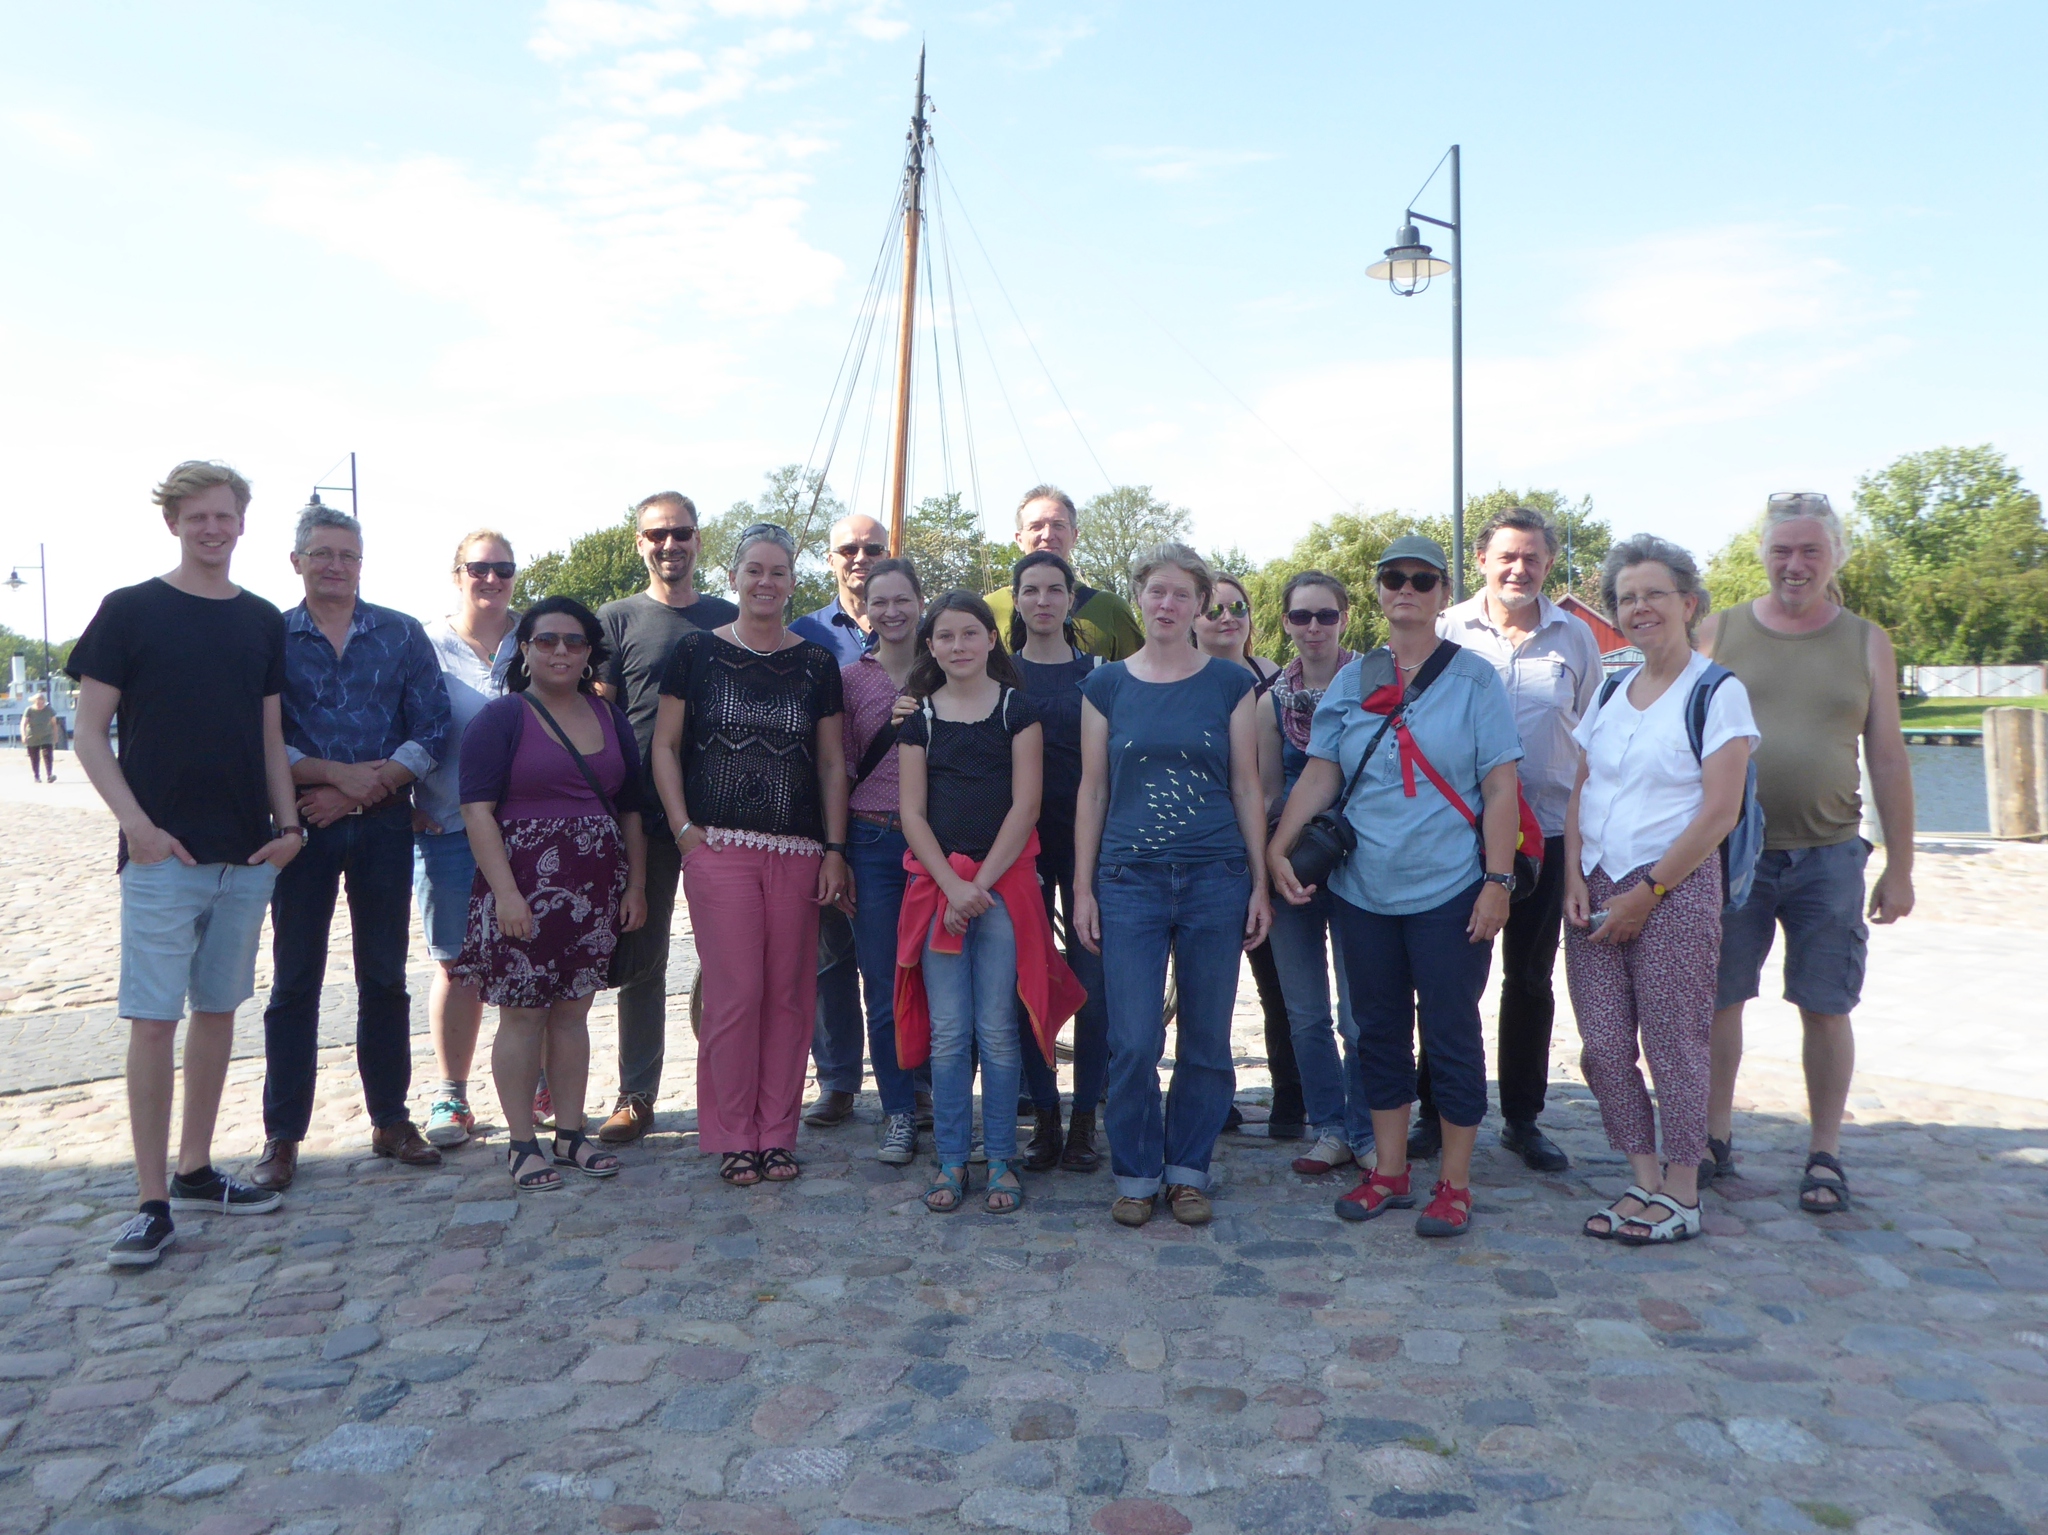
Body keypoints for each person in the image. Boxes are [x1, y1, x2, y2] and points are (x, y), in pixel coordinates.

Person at [69, 460, 302, 1266]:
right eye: (197, 516)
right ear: (174, 522)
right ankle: (150, 1199)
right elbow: (89, 733)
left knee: (218, 1010)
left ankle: (197, 1167)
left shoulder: (262, 620)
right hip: (164, 850)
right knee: (153, 1017)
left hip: (247, 850)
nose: (212, 528)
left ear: (242, 522)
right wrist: (136, 825)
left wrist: (291, 827)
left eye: (224, 515)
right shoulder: (129, 611)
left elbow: (271, 734)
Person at [1268, 535, 1522, 1241]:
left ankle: (1456, 1180)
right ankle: (1388, 1169)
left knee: (1450, 1032)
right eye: (1392, 578)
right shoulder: (1353, 681)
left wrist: (1497, 881)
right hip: (1363, 889)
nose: (1405, 588)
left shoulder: (1473, 679)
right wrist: (1277, 846)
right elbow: (1321, 773)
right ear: (1377, 592)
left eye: (1421, 578)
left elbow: (1501, 784)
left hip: (1449, 887)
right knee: (1376, 1032)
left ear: (1444, 593)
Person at [1700, 491, 1915, 1213]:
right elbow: (1681, 742)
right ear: (1763, 556)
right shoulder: (1720, 631)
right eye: (1782, 550)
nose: (1795, 564)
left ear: (1834, 557)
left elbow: (1886, 758)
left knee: (1826, 1004)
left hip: (1829, 855)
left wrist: (1901, 865)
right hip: (1734, 855)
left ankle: (1825, 1150)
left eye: (1810, 551)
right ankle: (1713, 1136)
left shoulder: (1865, 639)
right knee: (1719, 998)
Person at [252, 502, 452, 1191]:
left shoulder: (399, 633)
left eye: (347, 555)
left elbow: (432, 727)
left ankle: (391, 1117)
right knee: (294, 981)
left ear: (361, 564)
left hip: (384, 825)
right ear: (297, 561)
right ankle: (282, 1134)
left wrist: (362, 790)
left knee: (385, 975)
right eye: (322, 553)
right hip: (300, 827)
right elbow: (261, 736)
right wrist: (332, 776)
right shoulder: (270, 636)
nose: (335, 565)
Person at [1565, 537, 1757, 1244]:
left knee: (1675, 1041)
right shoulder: (1614, 687)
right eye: (1626, 597)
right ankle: (1641, 1177)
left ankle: (1683, 1188)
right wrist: (1571, 883)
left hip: (1672, 886)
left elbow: (1719, 811)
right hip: (1596, 882)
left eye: (1654, 593)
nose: (1639, 607)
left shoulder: (1716, 691)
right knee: (1604, 1044)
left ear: (1688, 602)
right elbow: (1583, 787)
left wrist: (1648, 891)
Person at [1075, 543, 1272, 1228]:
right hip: (1129, 879)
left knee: (1206, 1037)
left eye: (1181, 595)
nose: (1167, 605)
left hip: (1217, 875)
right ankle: (1134, 1170)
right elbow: (1092, 789)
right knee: (1131, 1039)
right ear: (1140, 597)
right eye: (1156, 591)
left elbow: (1246, 783)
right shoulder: (1106, 686)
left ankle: (1188, 1169)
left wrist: (1258, 882)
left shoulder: (1228, 684)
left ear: (1199, 605)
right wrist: (1083, 887)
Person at [652, 523, 851, 1187]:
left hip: (797, 849)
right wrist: (684, 830)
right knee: (735, 995)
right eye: (754, 570)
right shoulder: (697, 652)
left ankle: (777, 1134)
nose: (766, 582)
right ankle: (734, 1133)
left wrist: (833, 848)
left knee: (791, 997)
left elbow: (829, 761)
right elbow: (664, 746)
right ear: (733, 576)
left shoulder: (818, 663)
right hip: (720, 847)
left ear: (795, 582)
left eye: (778, 572)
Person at [1421, 507, 1603, 1173]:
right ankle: (1433, 1108)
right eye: (1507, 556)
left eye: (1531, 557)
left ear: (1549, 563)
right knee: (1444, 977)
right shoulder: (1448, 629)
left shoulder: (1575, 637)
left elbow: (1594, 738)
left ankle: (1522, 1117)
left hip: (1547, 833)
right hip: (1458, 832)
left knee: (1529, 978)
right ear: (1482, 561)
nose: (1518, 568)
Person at [455, 598, 648, 1191]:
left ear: (590, 651)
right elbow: (477, 811)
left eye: (573, 641)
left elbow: (631, 808)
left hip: (593, 890)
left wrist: (636, 883)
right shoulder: (502, 718)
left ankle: (570, 1134)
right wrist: (508, 895)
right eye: (546, 641)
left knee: (573, 1014)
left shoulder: (609, 716)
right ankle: (521, 1142)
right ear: (526, 650)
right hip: (520, 891)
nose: (560, 651)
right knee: (521, 1015)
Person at [894, 592, 1058, 1215]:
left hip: (1001, 892)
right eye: (945, 637)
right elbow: (911, 812)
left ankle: (1001, 1161)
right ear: (930, 647)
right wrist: (953, 888)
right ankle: (952, 1159)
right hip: (939, 892)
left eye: (970, 634)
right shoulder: (922, 720)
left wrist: (979, 888)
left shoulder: (1020, 711)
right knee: (948, 1034)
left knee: (996, 1030)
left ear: (992, 639)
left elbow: (1025, 806)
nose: (958, 646)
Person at [595, 491, 737, 1143]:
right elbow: (597, 718)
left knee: (728, 958)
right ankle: (637, 1093)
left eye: (681, 532)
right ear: (638, 542)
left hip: (724, 814)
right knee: (644, 958)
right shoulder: (616, 620)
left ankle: (726, 1083)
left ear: (698, 540)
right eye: (657, 534)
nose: (669, 544)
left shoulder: (729, 618)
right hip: (644, 817)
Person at [1257, 571, 1370, 1177]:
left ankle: (1367, 1125)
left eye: (1325, 616)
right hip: (1292, 862)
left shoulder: (1374, 684)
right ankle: (1328, 1126)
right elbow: (1265, 793)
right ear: (1286, 623)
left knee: (1361, 1014)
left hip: (1363, 865)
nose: (1314, 628)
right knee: (1305, 1011)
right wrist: (1267, 867)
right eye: (1302, 617)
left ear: (1344, 619)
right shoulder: (1269, 698)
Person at [413, 530, 521, 1149]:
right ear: (457, 574)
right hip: (448, 827)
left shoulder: (534, 641)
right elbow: (398, 720)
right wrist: (401, 798)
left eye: (502, 568)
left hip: (527, 830)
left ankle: (534, 1078)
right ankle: (452, 1091)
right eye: (479, 568)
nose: (491, 579)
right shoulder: (425, 645)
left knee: (524, 954)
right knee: (457, 963)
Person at [1193, 573, 1306, 1142]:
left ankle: (1292, 1092)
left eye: (1237, 607)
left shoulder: (1276, 681)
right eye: (1213, 609)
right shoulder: (1175, 678)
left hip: (1266, 840)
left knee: (1276, 976)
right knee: (1203, 981)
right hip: (1199, 843)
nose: (1226, 617)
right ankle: (1214, 1095)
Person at [1008, 552, 1109, 1172]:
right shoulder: (999, 674)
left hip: (1086, 842)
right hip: (1018, 845)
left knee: (1093, 987)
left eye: (1054, 590)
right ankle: (1042, 1114)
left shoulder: (1098, 676)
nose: (1042, 600)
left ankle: (1084, 1122)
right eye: (1030, 590)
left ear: (1070, 599)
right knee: (1029, 981)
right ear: (1016, 600)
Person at [789, 512, 886, 1127]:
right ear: (829, 559)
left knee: (898, 953)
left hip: (900, 819)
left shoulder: (922, 630)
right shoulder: (804, 634)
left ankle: (916, 1077)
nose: (859, 557)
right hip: (820, 814)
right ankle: (840, 1079)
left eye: (872, 547)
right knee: (830, 957)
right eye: (847, 548)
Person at [838, 557, 930, 1165]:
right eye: (880, 602)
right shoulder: (851, 681)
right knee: (882, 979)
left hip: (938, 846)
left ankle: (939, 1099)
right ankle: (898, 1107)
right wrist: (836, 851)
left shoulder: (947, 668)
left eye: (903, 599)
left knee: (943, 978)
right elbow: (838, 769)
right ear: (864, 609)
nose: (892, 612)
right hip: (872, 842)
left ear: (920, 602)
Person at [983, 486, 1144, 660]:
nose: (1047, 535)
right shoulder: (990, 608)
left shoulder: (1110, 608)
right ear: (1019, 539)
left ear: (1074, 536)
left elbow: (1139, 676)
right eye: (1036, 526)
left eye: (1058, 525)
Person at [23, 691, 57, 782]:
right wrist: (23, 735)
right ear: (34, 702)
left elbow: (54, 724)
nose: (40, 705)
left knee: (48, 755)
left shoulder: (49, 710)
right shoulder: (29, 710)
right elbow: (23, 723)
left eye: (42, 703)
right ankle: (36, 776)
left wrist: (55, 736)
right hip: (32, 737)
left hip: (47, 736)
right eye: (38, 703)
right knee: (34, 757)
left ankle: (49, 775)